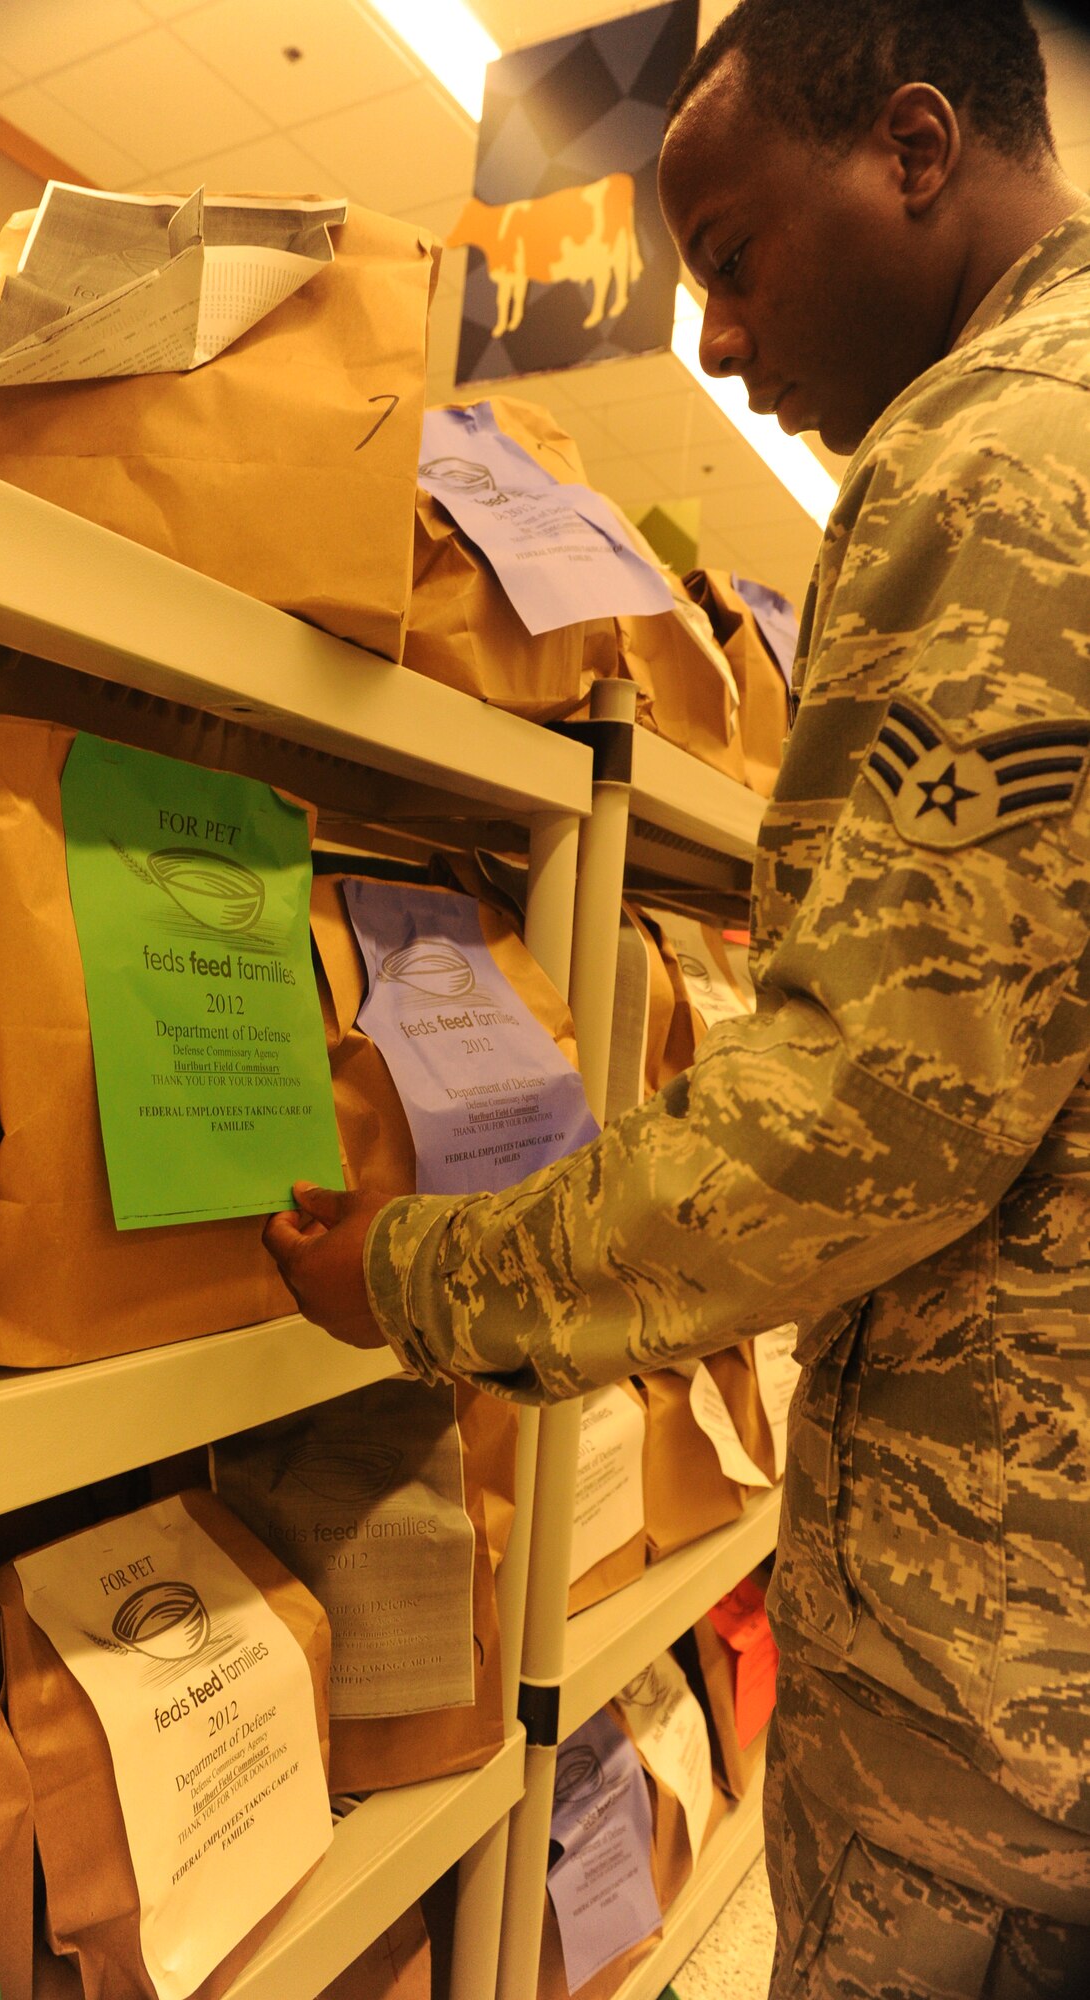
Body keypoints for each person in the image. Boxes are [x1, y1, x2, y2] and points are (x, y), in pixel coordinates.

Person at [264, 1, 1090, 1990]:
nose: (710, 335)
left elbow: (860, 1115)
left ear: (910, 150)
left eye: (730, 254)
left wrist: (420, 1272)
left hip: (1004, 1738)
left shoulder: (999, 456)